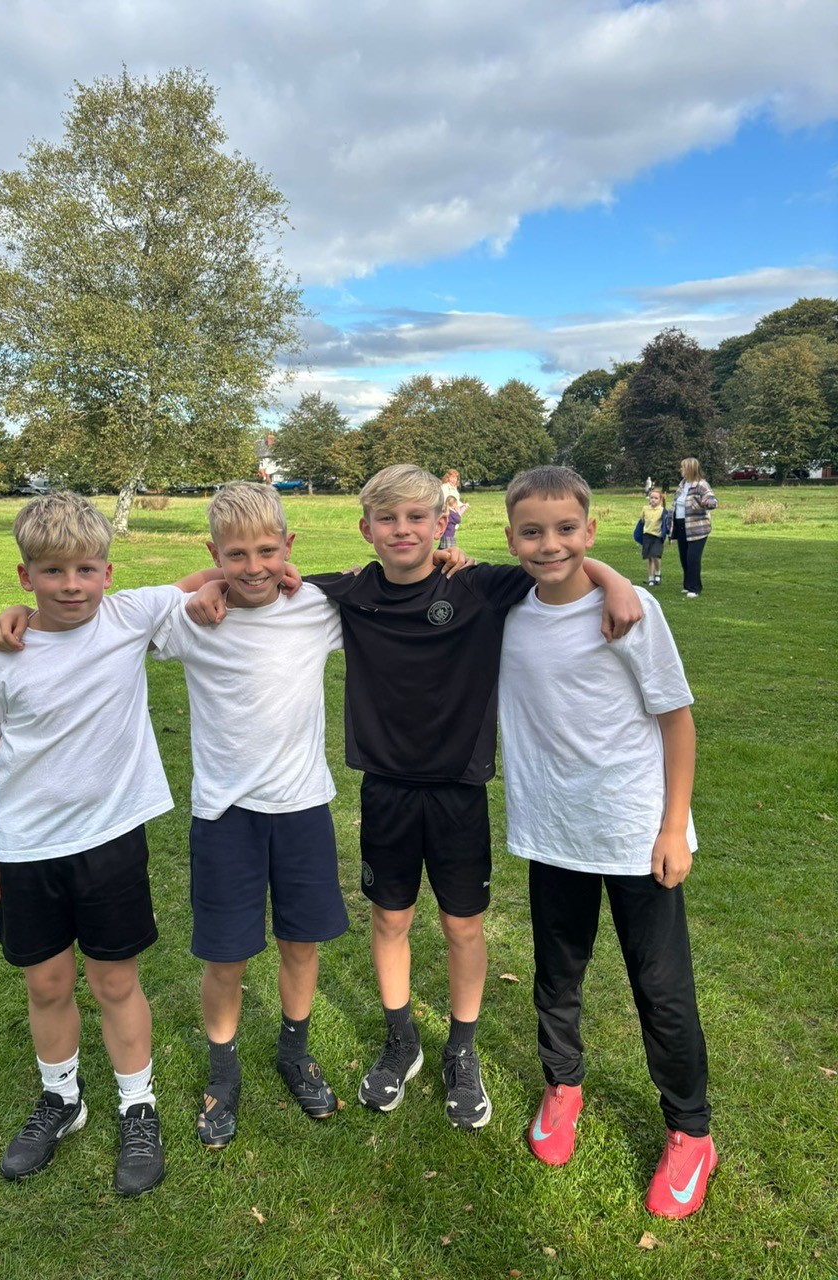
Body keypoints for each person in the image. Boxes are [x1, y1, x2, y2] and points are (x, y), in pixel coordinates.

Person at [300, 465, 641, 1132]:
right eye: (388, 519)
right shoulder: (350, 591)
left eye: (417, 518)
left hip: (459, 791)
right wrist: (213, 585)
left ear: (441, 523)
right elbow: (262, 581)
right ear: (366, 528)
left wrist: (617, 580)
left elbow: (559, 565)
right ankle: (401, 1040)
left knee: (462, 927)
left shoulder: (478, 586)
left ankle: (462, 1049)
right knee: (390, 920)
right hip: (386, 790)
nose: (403, 530)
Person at [0, 491, 212, 1196]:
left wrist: (270, 573)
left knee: (114, 981)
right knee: (46, 983)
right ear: (25, 576)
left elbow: (208, 578)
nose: (70, 585)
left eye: (85, 570)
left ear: (107, 572)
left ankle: (138, 1105)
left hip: (110, 842)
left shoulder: (129, 616)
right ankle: (62, 1098)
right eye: (52, 571)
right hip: (26, 850)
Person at [498, 464, 715, 1220]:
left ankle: (691, 1131)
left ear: (591, 531)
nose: (550, 544)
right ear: (511, 539)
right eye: (532, 531)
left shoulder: (631, 611)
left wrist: (673, 827)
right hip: (553, 831)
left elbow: (677, 722)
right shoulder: (506, 611)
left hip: (634, 834)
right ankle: (563, 1086)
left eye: (567, 529)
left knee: (661, 989)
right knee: (558, 974)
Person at [151, 482, 348, 1149]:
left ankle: (294, 1051)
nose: (254, 566)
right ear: (214, 553)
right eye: (235, 555)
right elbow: (111, 614)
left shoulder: (315, 607)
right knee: (226, 956)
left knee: (301, 944)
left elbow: (390, 584)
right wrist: (201, 584)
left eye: (267, 551)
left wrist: (445, 556)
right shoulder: (191, 619)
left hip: (302, 808)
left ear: (289, 546)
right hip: (224, 815)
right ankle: (223, 1071)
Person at [672, 458, 717, 598]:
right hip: (681, 525)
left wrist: (707, 502)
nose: (680, 469)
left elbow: (713, 501)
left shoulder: (701, 485)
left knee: (693, 558)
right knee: (684, 557)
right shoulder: (682, 484)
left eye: (682, 467)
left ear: (689, 468)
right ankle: (687, 585)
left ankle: (695, 588)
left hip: (697, 528)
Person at [639, 488, 666, 586]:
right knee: (649, 558)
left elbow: (665, 524)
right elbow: (642, 521)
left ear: (660, 500)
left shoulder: (662, 511)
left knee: (656, 556)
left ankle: (658, 572)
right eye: (651, 498)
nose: (653, 500)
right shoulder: (645, 509)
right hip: (647, 535)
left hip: (657, 536)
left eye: (656, 498)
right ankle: (650, 578)